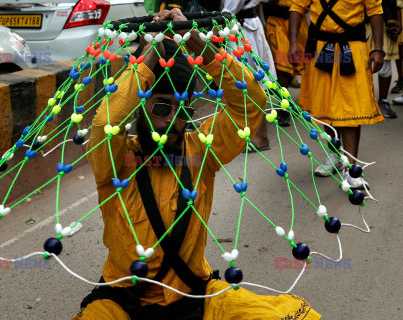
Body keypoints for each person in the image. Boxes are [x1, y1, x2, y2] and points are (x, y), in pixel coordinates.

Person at [73, 8, 321, 320]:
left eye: (182, 110)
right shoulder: (115, 160)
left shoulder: (200, 150)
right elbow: (104, 123)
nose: (171, 120)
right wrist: (148, 57)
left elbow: (251, 101)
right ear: (138, 108)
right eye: (162, 106)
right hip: (122, 303)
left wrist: (195, 41)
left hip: (194, 298)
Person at [289, 0, 385, 189]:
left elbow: (375, 11)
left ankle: (351, 169)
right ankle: (335, 154)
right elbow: (296, 8)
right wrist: (293, 43)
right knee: (326, 104)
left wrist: (378, 48)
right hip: (321, 48)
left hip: (353, 47)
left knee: (351, 109)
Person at [221, 0, 277, 152]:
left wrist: (220, 19)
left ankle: (261, 136)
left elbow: (231, 7)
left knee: (249, 81)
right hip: (240, 27)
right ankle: (249, 135)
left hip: (242, 29)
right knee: (240, 81)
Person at [263, 0, 309, 126]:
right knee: (283, 66)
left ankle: (288, 101)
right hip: (276, 22)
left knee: (296, 65)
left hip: (299, 22)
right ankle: (284, 107)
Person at [366, 0, 402, 118]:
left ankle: (383, 101)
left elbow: (397, 1)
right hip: (362, 21)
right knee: (360, 63)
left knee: (385, 64)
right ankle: (365, 102)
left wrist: (398, 19)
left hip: (386, 21)